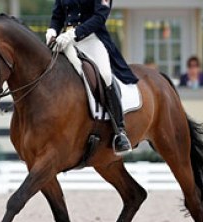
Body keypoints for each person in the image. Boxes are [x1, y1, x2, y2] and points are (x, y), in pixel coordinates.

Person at [46, 0, 138, 155]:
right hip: (66, 41)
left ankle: (119, 131)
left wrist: (74, 33)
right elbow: (57, 16)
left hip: (91, 38)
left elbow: (100, 17)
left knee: (106, 75)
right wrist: (52, 31)